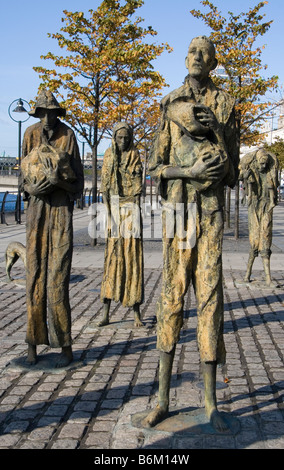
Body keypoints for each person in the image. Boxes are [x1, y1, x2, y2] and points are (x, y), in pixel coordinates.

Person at [141, 36, 239, 431]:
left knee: (211, 296)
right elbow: (154, 167)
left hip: (211, 213)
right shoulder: (170, 104)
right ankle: (163, 398)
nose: (197, 56)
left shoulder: (227, 105)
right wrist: (190, 173)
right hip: (179, 211)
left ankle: (210, 401)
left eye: (204, 52)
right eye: (191, 50)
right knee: (172, 295)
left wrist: (217, 136)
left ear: (214, 62)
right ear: (185, 58)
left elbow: (231, 173)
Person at [20, 89, 84, 367]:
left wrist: (59, 182)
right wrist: (30, 187)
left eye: (51, 112)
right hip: (36, 213)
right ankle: (32, 343)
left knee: (58, 278)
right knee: (34, 275)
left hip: (59, 213)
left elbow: (79, 185)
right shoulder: (29, 135)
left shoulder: (68, 136)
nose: (47, 117)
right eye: (42, 112)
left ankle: (65, 344)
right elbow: (23, 179)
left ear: (57, 113)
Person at [99, 122, 144, 328]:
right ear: (114, 138)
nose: (123, 141)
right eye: (119, 138)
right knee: (112, 259)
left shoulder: (135, 154)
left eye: (126, 138)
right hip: (115, 208)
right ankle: (106, 311)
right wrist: (110, 215)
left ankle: (136, 312)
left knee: (132, 258)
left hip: (131, 208)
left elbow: (137, 187)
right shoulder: (109, 155)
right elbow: (105, 187)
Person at [240, 148, 279, 288]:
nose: (263, 167)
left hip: (266, 205)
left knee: (266, 237)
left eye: (265, 164)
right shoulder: (250, 166)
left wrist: (272, 200)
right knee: (254, 239)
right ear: (256, 162)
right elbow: (239, 178)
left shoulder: (271, 170)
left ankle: (268, 278)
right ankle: (247, 275)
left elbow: (275, 185)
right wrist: (245, 179)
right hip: (255, 205)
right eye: (261, 164)